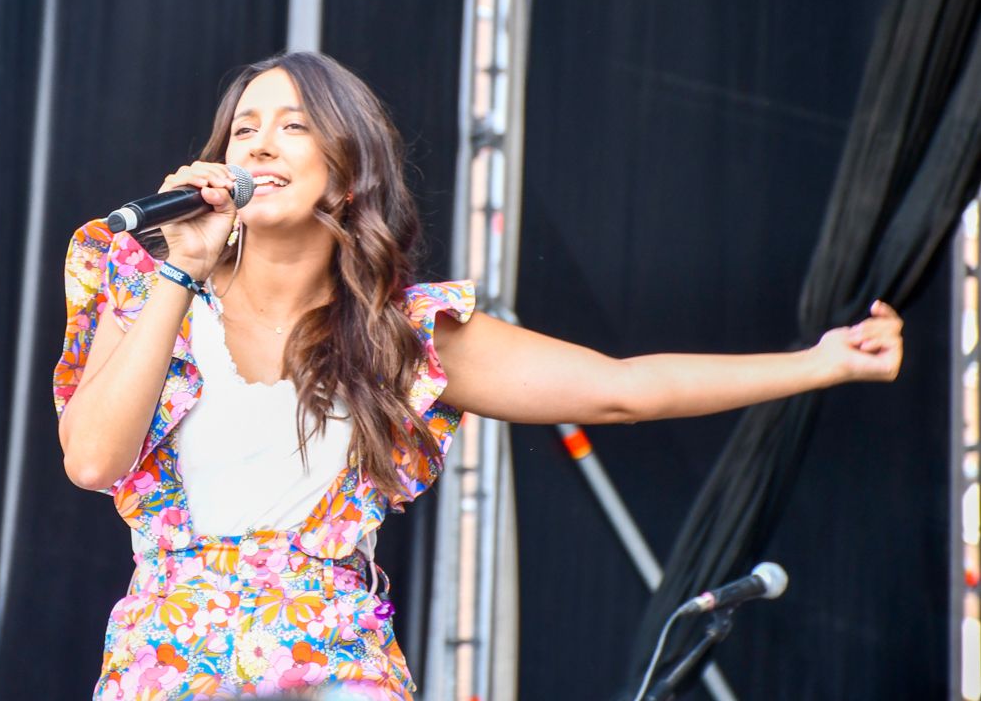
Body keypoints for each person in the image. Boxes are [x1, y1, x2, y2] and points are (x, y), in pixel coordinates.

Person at [53, 52, 903, 701]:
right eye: (244, 129)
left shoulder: (403, 334)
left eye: (294, 126)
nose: (260, 145)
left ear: (345, 177)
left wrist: (822, 362)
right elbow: (93, 460)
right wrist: (182, 269)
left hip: (332, 661)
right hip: (168, 658)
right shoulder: (144, 284)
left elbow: (622, 390)